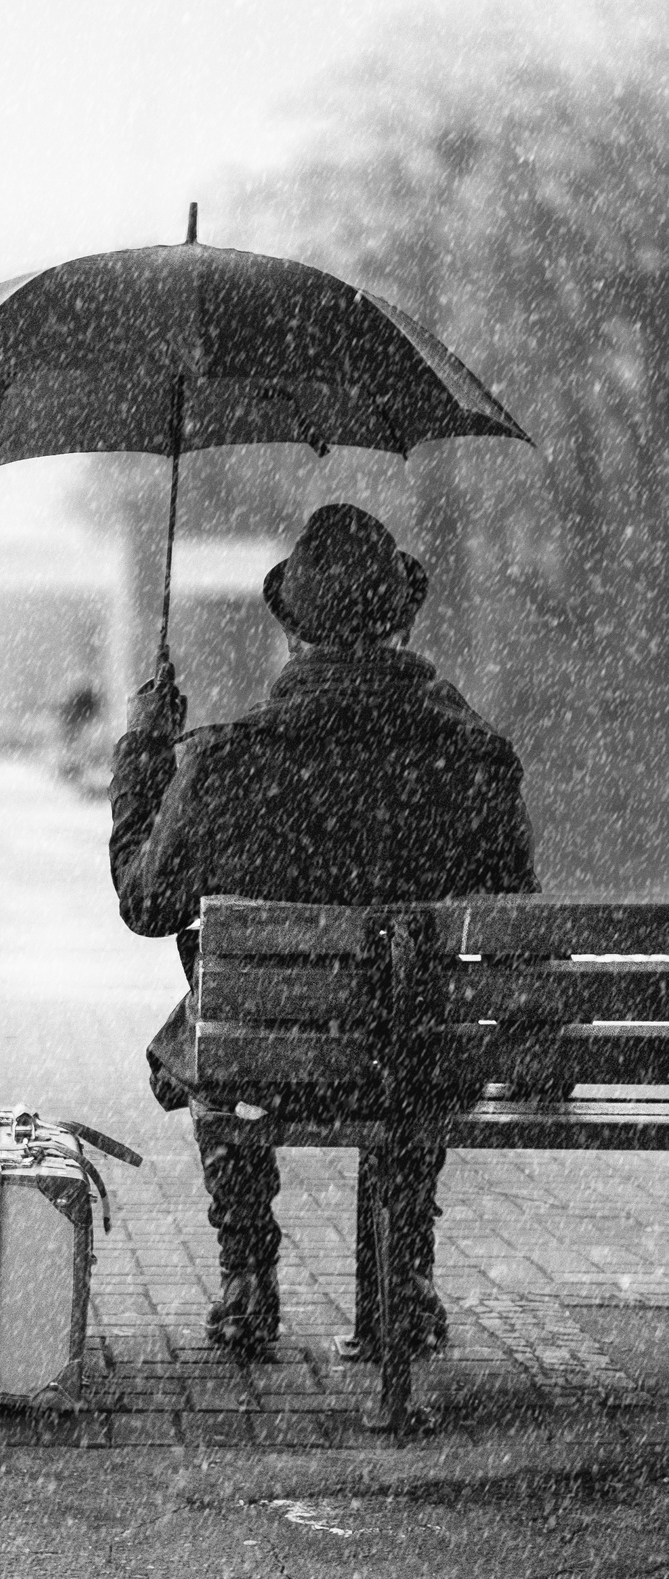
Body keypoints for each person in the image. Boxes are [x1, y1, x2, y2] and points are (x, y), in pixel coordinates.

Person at [109, 504, 537, 1356]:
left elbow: (147, 904)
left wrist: (146, 753)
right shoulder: (475, 757)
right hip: (418, 1063)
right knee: (412, 1012)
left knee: (216, 1028)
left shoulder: (226, 759)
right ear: (401, 624)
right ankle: (400, 1279)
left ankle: (247, 1276)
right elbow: (521, 931)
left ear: (294, 632)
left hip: (272, 1061)